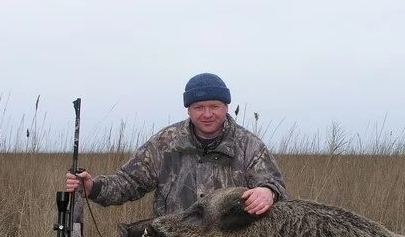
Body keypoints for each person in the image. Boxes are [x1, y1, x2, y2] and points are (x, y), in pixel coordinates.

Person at [65, 72, 287, 217]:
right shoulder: (165, 143)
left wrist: (267, 192)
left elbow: (273, 185)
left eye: (215, 106)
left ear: (226, 107)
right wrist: (92, 187)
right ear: (188, 110)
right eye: (199, 107)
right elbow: (128, 182)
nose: (207, 114)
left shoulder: (248, 145)